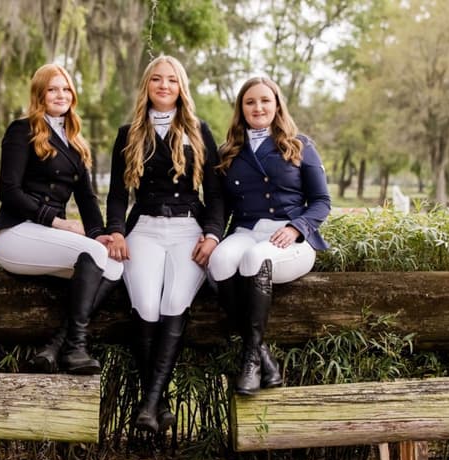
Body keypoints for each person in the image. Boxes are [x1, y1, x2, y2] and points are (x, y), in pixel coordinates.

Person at [105, 55, 224, 433]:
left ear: (181, 87)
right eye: (157, 79)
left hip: (189, 229)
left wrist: (213, 234)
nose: (164, 85)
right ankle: (160, 403)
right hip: (144, 229)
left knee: (174, 303)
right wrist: (116, 231)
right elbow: (116, 195)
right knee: (144, 305)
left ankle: (148, 404)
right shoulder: (128, 133)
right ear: (147, 85)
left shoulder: (199, 130)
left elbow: (216, 194)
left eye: (172, 80)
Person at [0, 63, 123, 375]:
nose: (61, 95)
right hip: (16, 233)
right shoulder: (22, 130)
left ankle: (55, 347)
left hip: (45, 237)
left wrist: (99, 233)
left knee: (114, 265)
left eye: (66, 89)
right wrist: (58, 222)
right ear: (40, 94)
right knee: (94, 254)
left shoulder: (74, 141)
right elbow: (9, 191)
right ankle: (76, 348)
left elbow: (87, 199)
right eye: (52, 89)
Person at [208, 76, 331, 395]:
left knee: (255, 257)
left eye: (265, 100)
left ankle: (250, 362)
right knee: (219, 260)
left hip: (290, 237)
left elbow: (321, 201)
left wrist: (296, 227)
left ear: (277, 105)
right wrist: (211, 236)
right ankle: (264, 356)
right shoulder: (228, 151)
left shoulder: (300, 144)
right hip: (246, 230)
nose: (258, 107)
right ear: (241, 109)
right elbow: (220, 206)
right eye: (250, 102)